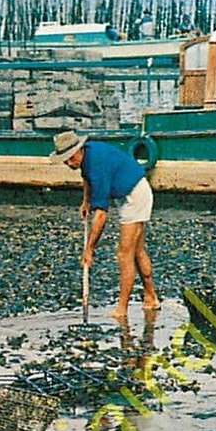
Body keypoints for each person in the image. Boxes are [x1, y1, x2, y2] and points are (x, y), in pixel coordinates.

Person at [51, 130, 161, 321]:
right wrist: (86, 201)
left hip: (135, 194)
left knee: (124, 253)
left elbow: (101, 215)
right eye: (65, 160)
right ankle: (151, 298)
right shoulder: (87, 156)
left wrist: (89, 249)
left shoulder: (97, 166)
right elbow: (86, 178)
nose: (68, 163)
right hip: (128, 190)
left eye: (70, 159)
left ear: (79, 150)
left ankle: (122, 309)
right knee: (137, 250)